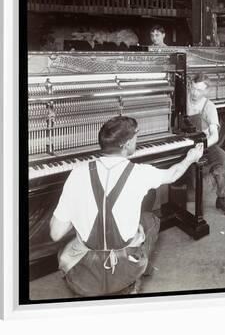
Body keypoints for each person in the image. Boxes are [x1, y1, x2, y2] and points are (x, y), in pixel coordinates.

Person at [49, 116, 204, 296]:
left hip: (83, 279)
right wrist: (191, 158)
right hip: (124, 272)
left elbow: (55, 234)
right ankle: (135, 275)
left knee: (77, 242)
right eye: (136, 137)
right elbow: (172, 174)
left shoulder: (77, 174)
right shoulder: (140, 173)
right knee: (150, 219)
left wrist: (80, 214)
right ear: (127, 143)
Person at [186, 73, 225, 217]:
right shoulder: (184, 101)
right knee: (195, 189)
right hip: (184, 144)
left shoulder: (209, 107)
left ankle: (221, 199)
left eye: (199, 90)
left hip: (206, 144)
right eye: (193, 88)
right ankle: (213, 176)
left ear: (206, 91)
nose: (195, 93)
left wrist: (203, 144)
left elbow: (215, 135)